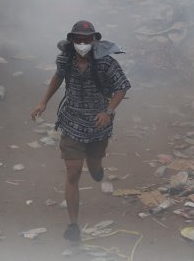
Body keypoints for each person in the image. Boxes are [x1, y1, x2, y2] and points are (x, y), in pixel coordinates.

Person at [31, 20, 131, 242]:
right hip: (71, 122)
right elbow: (57, 78)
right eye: (78, 39)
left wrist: (108, 112)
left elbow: (122, 87)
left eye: (87, 39)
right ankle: (73, 225)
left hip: (98, 125)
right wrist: (43, 102)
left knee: (94, 167)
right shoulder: (65, 59)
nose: (83, 43)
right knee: (73, 172)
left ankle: (97, 169)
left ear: (94, 40)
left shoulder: (105, 62)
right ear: (72, 40)